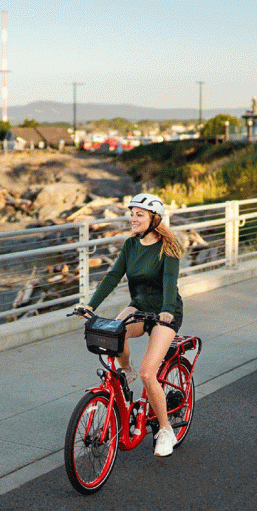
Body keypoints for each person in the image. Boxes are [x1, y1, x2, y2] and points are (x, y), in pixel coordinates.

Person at [79, 193, 185, 457]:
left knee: (149, 373)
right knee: (113, 332)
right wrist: (91, 305)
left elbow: (170, 283)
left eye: (139, 214)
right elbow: (113, 276)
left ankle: (165, 431)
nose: (133, 218)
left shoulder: (167, 247)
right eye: (132, 213)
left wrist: (166, 312)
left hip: (165, 312)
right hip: (140, 306)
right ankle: (126, 372)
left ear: (154, 219)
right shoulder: (130, 245)